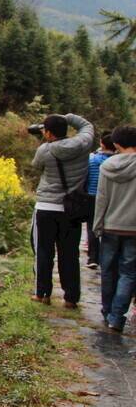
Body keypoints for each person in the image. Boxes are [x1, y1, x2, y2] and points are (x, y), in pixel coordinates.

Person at [30, 113, 96, 308]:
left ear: (47, 132)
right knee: (69, 253)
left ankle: (42, 294)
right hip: (71, 208)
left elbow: (36, 166)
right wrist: (65, 117)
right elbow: (87, 125)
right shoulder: (83, 144)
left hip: (47, 207)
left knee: (43, 252)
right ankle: (70, 298)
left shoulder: (45, 150)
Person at [93, 125, 136, 333]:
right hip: (134, 229)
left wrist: (97, 225)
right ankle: (117, 318)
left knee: (108, 271)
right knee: (128, 273)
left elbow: (101, 199)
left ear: (116, 143)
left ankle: (107, 310)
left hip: (110, 226)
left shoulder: (107, 166)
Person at [85, 131, 116, 269]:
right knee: (109, 227)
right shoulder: (117, 163)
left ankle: (93, 257)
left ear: (101, 145)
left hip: (92, 196)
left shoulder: (91, 160)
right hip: (111, 197)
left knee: (92, 227)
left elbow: (86, 178)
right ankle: (109, 257)